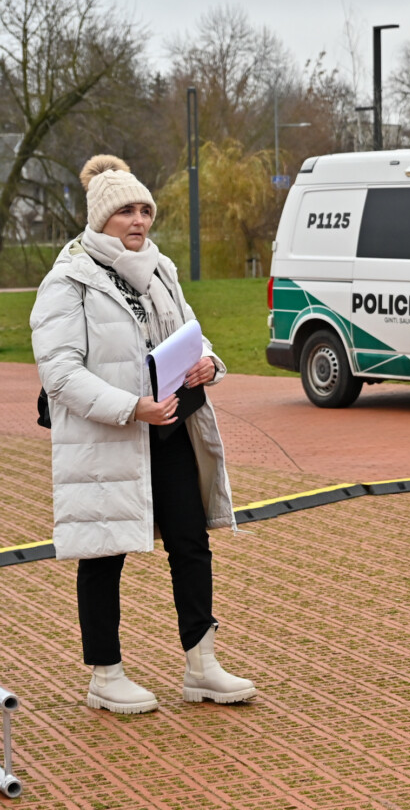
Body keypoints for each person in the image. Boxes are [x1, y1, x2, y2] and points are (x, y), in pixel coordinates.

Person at [31, 156, 255, 715]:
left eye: (145, 210)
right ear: (100, 218)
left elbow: (191, 333)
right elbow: (60, 373)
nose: (138, 221)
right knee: (104, 552)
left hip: (170, 428)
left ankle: (202, 665)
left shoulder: (161, 268)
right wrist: (133, 408)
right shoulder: (68, 279)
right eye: (126, 211)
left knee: (190, 543)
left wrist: (208, 363)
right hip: (107, 437)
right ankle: (106, 676)